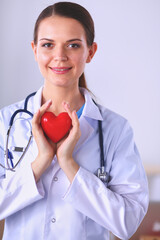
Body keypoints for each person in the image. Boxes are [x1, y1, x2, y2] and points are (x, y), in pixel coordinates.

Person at [0, 2, 148, 240]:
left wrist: (69, 164)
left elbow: (127, 222)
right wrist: (41, 162)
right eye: (48, 45)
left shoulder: (115, 129)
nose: (59, 56)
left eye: (73, 45)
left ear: (90, 51)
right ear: (34, 50)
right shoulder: (6, 122)